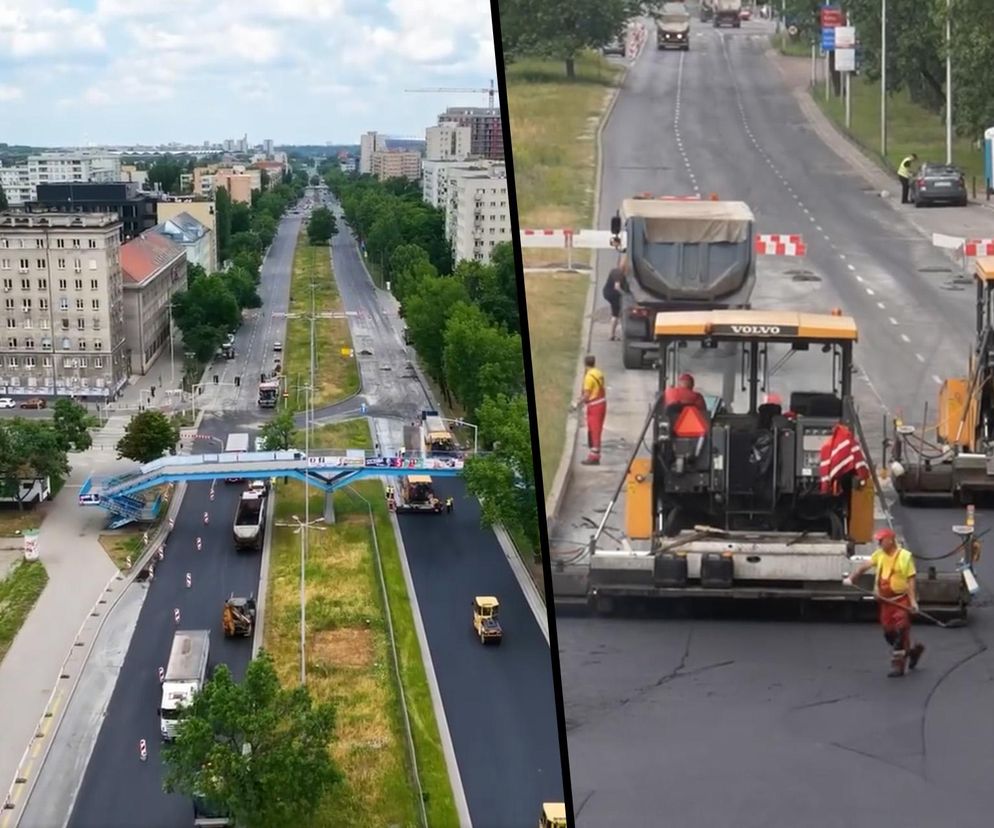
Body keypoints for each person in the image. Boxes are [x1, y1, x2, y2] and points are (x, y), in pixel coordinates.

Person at [844, 527, 925, 677]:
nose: (879, 543)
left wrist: (913, 602)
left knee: (901, 630)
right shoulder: (879, 555)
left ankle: (897, 665)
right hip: (885, 602)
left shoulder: (904, 557)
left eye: (881, 540)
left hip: (901, 600)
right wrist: (852, 578)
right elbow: (863, 567)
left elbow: (911, 580)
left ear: (890, 540)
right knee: (889, 633)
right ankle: (912, 651)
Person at [576, 355, 607, 465]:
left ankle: (594, 457)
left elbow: (587, 395)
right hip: (602, 403)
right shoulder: (598, 372)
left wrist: (578, 403)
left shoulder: (588, 377)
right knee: (597, 430)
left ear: (585, 364)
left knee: (594, 431)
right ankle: (595, 454)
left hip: (594, 406)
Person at [602, 267, 629, 342]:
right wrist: (624, 294)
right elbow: (617, 287)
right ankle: (612, 335)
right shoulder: (618, 274)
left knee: (617, 313)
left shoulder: (614, 271)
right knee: (616, 314)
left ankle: (612, 334)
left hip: (607, 292)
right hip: (613, 295)